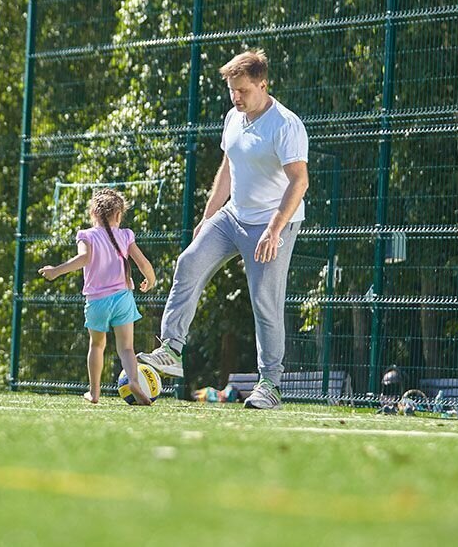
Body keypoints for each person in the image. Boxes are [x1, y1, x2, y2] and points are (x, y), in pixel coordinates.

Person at [138, 49, 309, 410]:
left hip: (273, 223)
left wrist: (275, 228)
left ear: (263, 85)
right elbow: (227, 168)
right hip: (232, 217)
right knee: (189, 262)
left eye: (243, 90)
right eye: (232, 90)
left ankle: (271, 385)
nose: (236, 97)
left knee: (265, 303)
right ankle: (171, 349)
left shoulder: (285, 124)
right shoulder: (234, 117)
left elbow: (299, 182)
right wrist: (207, 216)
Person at [39, 189, 157, 405]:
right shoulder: (126, 235)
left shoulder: (87, 235)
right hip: (123, 297)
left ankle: (94, 393)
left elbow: (83, 258)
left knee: (97, 346)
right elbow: (143, 263)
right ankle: (133, 381)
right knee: (127, 347)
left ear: (93, 213)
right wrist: (151, 280)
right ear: (119, 215)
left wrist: (56, 270)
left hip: (97, 300)